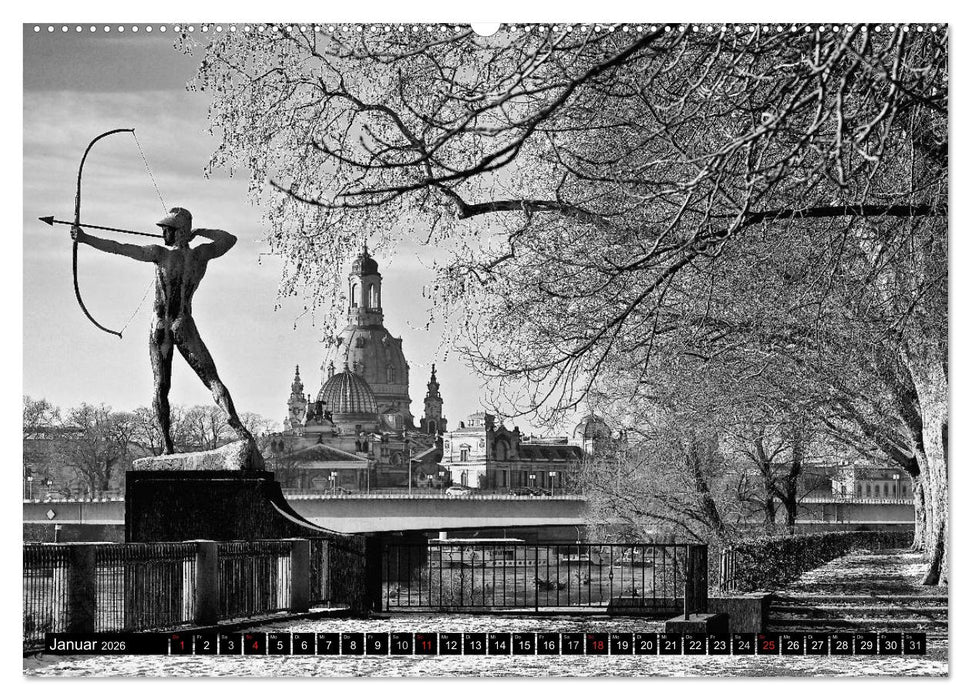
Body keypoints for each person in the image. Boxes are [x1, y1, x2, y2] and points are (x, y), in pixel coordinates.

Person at [72, 207, 256, 455]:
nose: (163, 234)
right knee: (212, 380)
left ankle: (167, 446)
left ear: (178, 231)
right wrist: (199, 232)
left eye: (167, 229)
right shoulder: (201, 255)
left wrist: (85, 239)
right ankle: (237, 426)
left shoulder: (160, 254)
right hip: (183, 323)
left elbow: (118, 247)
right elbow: (228, 239)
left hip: (160, 327)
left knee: (161, 387)